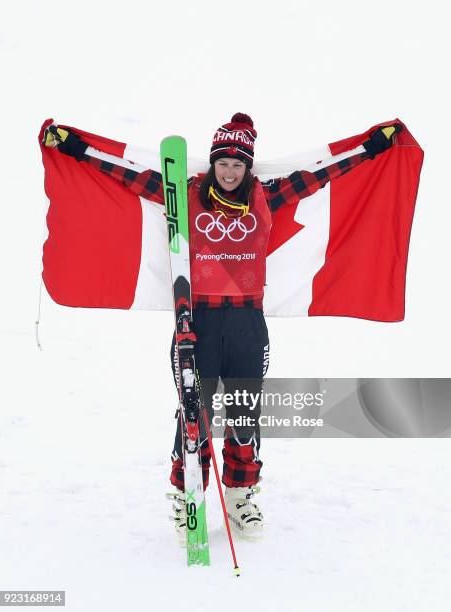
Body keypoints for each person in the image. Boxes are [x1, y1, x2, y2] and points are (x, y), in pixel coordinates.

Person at [43, 113, 400, 538]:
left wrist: (369, 150)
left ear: (249, 167)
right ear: (212, 164)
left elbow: (323, 174)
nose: (230, 172)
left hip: (248, 324)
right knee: (194, 412)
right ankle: (186, 495)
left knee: (245, 412)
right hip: (197, 323)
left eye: (238, 165)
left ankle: (241, 497)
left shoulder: (268, 196)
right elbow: (126, 175)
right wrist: (77, 150)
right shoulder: (182, 194)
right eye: (223, 163)